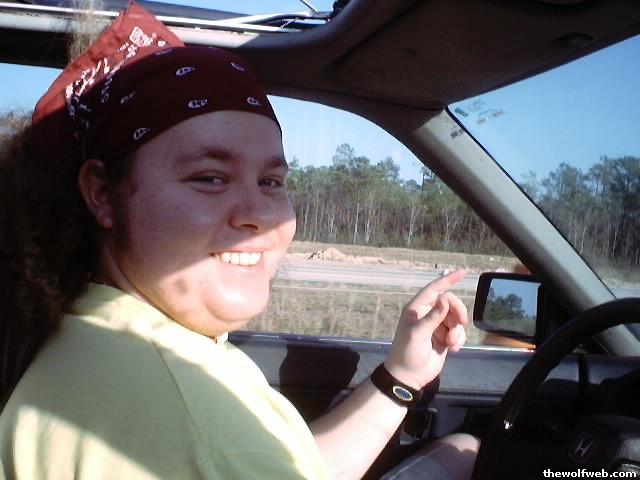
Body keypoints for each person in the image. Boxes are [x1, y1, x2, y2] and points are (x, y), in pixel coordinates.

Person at [0, 2, 478, 479]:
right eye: (210, 178)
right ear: (102, 195)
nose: (261, 216)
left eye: (271, 182)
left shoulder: (103, 340)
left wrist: (401, 377)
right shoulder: (184, 408)